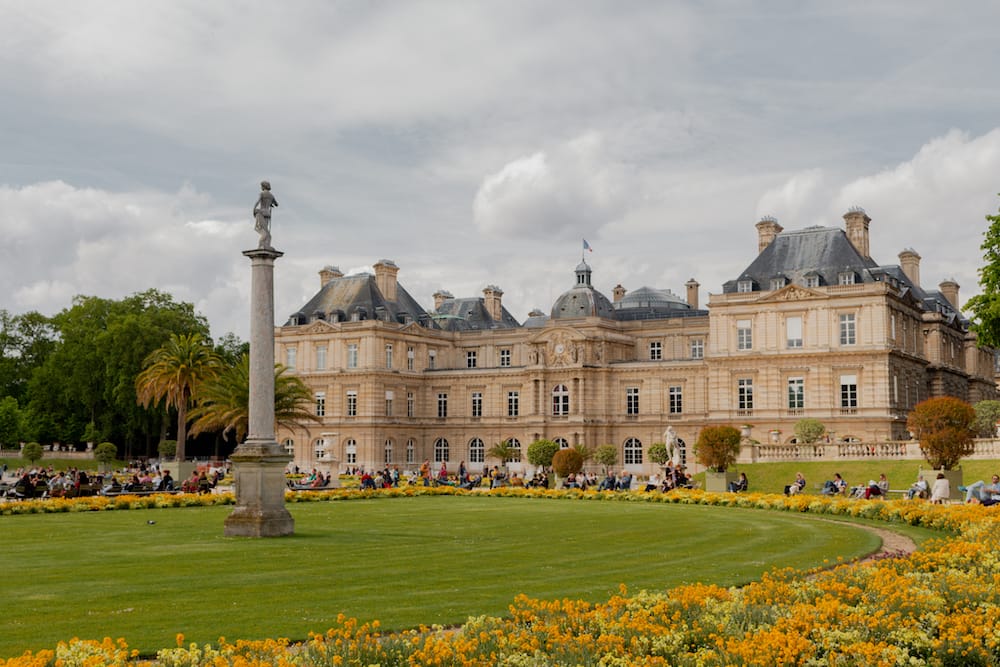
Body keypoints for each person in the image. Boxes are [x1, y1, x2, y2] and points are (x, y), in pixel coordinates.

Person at [253, 180, 278, 248]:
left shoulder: (262, 194)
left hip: (261, 213)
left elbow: (257, 201)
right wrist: (271, 204)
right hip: (267, 214)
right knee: (265, 230)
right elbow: (276, 204)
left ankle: (261, 245)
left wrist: (254, 209)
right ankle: (266, 245)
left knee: (259, 229)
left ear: (263, 186)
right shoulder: (271, 196)